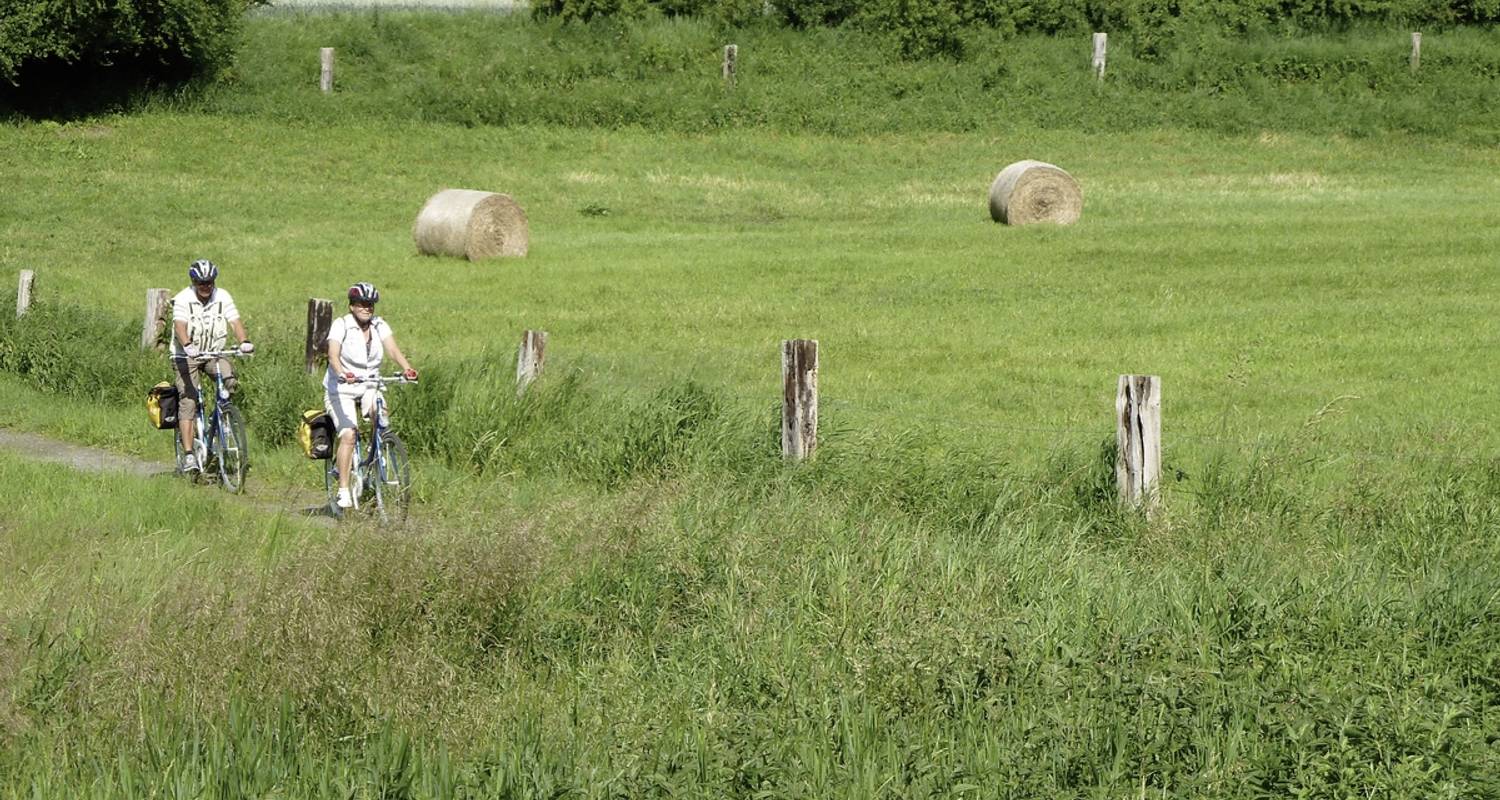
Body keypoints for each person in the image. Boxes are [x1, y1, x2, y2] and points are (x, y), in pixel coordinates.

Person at [325, 282, 418, 509]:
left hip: (369, 384)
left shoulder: (379, 325)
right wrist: (342, 373)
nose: (367, 308)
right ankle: (344, 489)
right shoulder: (341, 325)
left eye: (370, 304)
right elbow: (332, 355)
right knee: (348, 434)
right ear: (351, 306)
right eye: (362, 304)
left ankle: (377, 452)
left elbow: (393, 350)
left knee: (381, 416)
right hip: (342, 388)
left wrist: (407, 368)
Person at [171, 259, 253, 473]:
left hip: (213, 353)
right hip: (186, 356)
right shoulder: (182, 298)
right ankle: (189, 455)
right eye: (201, 283)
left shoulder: (222, 296)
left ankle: (221, 415)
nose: (206, 287)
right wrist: (187, 345)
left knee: (229, 378)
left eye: (209, 282)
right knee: (188, 400)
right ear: (194, 282)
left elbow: (235, 321)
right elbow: (180, 325)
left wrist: (244, 341)